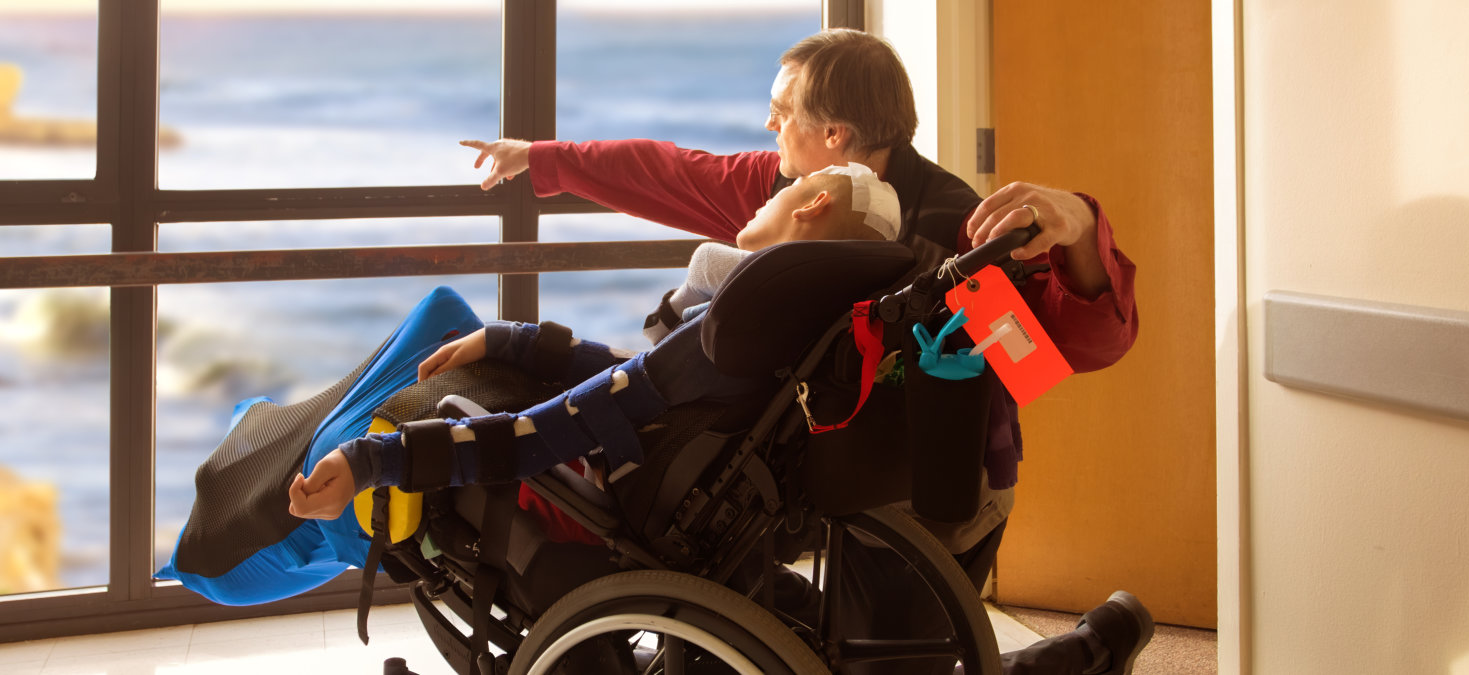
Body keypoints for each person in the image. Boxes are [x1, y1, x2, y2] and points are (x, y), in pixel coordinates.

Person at [458, 27, 1146, 675]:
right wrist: (540, 160)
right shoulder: (797, 192)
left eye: (781, 112)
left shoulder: (946, 229)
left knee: (892, 667)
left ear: (834, 135)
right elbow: (673, 173)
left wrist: (1080, 230)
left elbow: (1070, 342)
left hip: (936, 484)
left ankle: (1089, 648)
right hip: (834, 471)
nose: (769, 127)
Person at [286, 162, 900, 519]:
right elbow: (633, 373)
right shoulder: (784, 327)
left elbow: (540, 434)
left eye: (785, 187)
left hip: (612, 503)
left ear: (813, 203)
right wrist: (506, 339)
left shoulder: (734, 325)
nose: (770, 191)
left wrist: (373, 463)